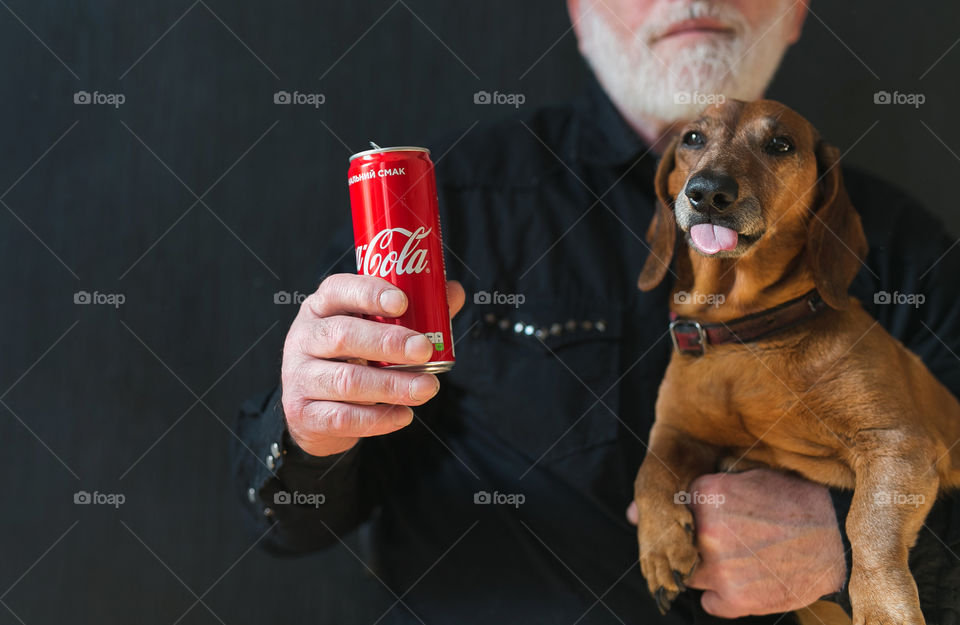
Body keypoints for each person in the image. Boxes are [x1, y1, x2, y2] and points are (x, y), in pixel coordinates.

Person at [232, 1, 960, 622]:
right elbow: (293, 523)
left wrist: (844, 539)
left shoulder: (904, 250)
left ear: (797, 8)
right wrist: (305, 429)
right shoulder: (437, 208)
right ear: (578, 13)